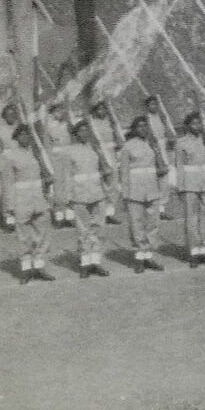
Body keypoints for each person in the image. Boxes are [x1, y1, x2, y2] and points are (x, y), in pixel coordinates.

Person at [57, 119, 112, 277]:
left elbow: (104, 171)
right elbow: (66, 175)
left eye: (87, 131)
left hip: (97, 192)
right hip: (79, 194)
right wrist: (67, 196)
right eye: (81, 131)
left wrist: (106, 191)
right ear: (75, 134)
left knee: (99, 228)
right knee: (83, 230)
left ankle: (96, 261)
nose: (84, 134)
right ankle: (85, 263)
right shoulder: (69, 152)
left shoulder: (95, 149)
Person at [0, 123, 54, 283]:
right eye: (22, 135)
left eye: (28, 135)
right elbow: (7, 182)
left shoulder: (38, 155)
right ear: (16, 138)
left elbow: (45, 177)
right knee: (23, 236)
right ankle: (26, 269)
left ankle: (38, 266)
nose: (26, 138)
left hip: (38, 198)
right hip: (21, 199)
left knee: (42, 234)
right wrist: (9, 206)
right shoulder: (10, 157)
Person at [117, 115, 167, 274]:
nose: (143, 129)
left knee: (153, 223)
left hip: (152, 188)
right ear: (134, 129)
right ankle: (140, 257)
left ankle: (149, 256)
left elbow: (161, 168)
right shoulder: (127, 147)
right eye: (139, 127)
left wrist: (157, 149)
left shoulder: (153, 144)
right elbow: (123, 172)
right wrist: (125, 194)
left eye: (145, 126)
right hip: (134, 190)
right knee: (136, 224)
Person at [176, 111, 205, 267]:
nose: (197, 126)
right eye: (194, 124)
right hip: (189, 183)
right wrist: (180, 187)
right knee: (191, 218)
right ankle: (194, 251)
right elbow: (179, 166)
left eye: (199, 123)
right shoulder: (181, 143)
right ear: (188, 126)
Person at [89, 100, 122, 224]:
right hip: (98, 155)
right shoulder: (92, 123)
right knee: (98, 184)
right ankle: (96, 214)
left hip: (111, 155)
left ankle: (109, 213)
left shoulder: (111, 122)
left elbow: (118, 139)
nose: (101, 111)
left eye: (104, 109)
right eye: (99, 109)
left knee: (113, 184)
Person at [144, 95, 175, 220]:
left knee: (164, 180)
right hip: (152, 148)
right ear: (147, 106)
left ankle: (162, 209)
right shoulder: (146, 119)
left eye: (156, 104)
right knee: (153, 179)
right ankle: (150, 208)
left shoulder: (162, 118)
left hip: (163, 149)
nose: (154, 107)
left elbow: (169, 135)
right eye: (151, 105)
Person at [43, 102, 74, 226]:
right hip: (55, 159)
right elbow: (47, 146)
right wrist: (49, 163)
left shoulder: (68, 125)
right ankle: (59, 215)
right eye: (57, 111)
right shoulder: (49, 127)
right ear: (53, 112)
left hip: (68, 157)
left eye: (62, 111)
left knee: (70, 184)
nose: (60, 113)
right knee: (58, 186)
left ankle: (70, 215)